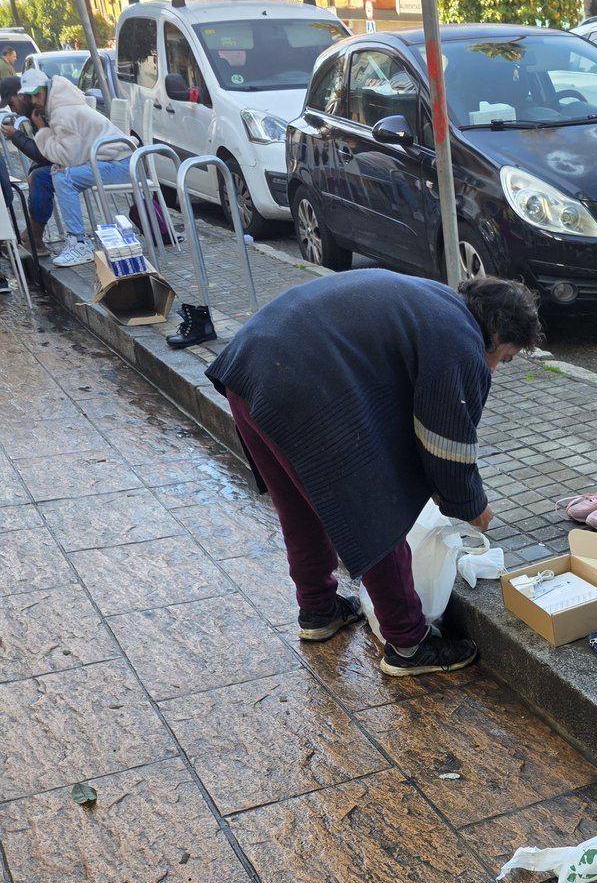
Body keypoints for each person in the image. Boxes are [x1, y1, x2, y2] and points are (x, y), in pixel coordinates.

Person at [205, 270, 544, 677]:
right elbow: (446, 442)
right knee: (376, 510)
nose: (495, 370)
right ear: (498, 334)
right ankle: (408, 644)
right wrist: (471, 505)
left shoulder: (433, 303)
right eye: (504, 358)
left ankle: (318, 609)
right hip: (298, 384)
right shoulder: (461, 340)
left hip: (248, 366)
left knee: (298, 507)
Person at [20, 67, 130, 268]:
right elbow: (67, 155)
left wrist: (42, 130)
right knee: (47, 175)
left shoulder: (62, 111)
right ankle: (43, 236)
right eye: (30, 96)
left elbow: (65, 157)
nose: (34, 100)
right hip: (109, 161)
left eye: (37, 93)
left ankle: (79, 243)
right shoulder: (59, 104)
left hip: (122, 165)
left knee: (62, 176)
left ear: (47, 88)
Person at [1, 75, 54, 258]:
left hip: (87, 158)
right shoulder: (35, 112)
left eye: (12, 103)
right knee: (36, 173)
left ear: (22, 95)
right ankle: (32, 233)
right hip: (70, 157)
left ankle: (36, 240)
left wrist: (16, 136)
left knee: (40, 177)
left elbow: (46, 153)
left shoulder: (42, 110)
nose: (12, 110)